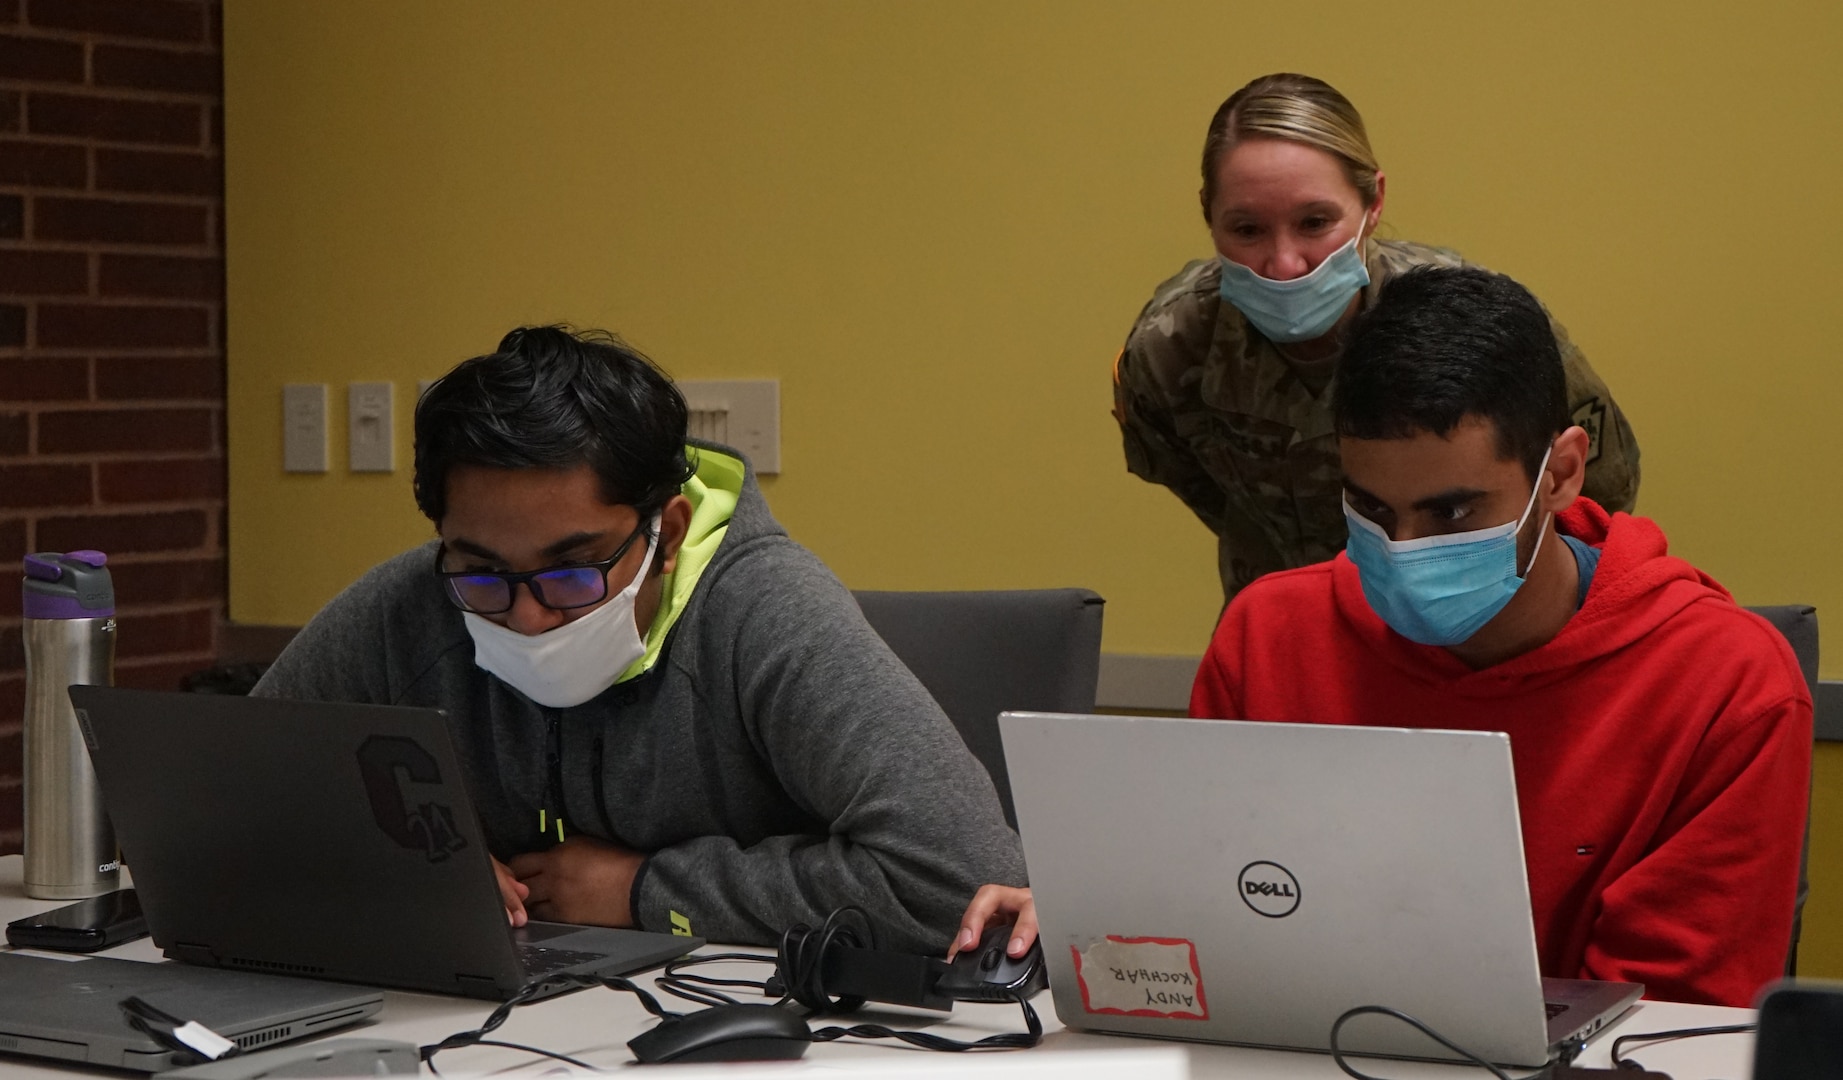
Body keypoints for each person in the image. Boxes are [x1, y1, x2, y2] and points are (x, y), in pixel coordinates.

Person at [958, 267, 1809, 1008]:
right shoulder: (1268, 634)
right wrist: (1090, 921)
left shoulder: (1726, 683)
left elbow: (1673, 1021)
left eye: (1450, 512)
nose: (1401, 552)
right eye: (1368, 508)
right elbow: (1215, 929)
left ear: (1561, 471)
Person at [255, 326, 1024, 954]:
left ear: (668, 531)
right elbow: (214, 803)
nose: (526, 617)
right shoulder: (410, 604)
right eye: (484, 573)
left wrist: (648, 891)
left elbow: (958, 882)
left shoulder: (767, 614)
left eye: (572, 570)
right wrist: (385, 867)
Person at [1115, 72, 1642, 602]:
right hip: (1288, 617)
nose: (1284, 263)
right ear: (1208, 213)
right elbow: (1200, 487)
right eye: (1247, 229)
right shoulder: (1171, 348)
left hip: (1461, 621)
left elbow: (1601, 487)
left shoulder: (1473, 329)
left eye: (1315, 222)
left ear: (1373, 204)